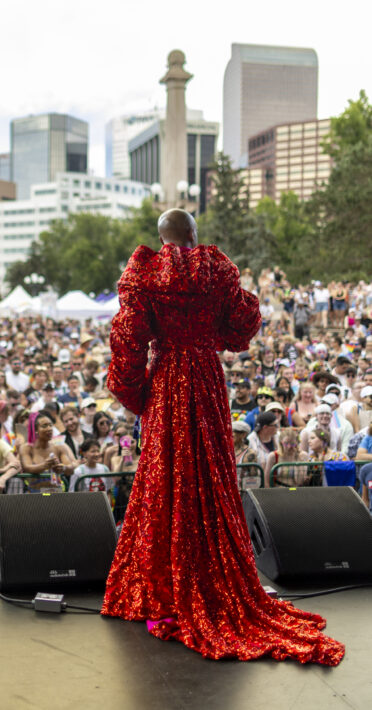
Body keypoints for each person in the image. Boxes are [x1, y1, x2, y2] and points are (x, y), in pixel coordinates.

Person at [102, 208, 343, 665]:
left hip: (169, 380)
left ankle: (168, 580)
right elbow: (244, 323)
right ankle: (215, 575)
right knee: (211, 473)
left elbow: (128, 338)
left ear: (162, 237)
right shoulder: (219, 269)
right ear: (195, 234)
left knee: (165, 475)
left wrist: (135, 394)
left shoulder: (145, 273)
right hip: (208, 380)